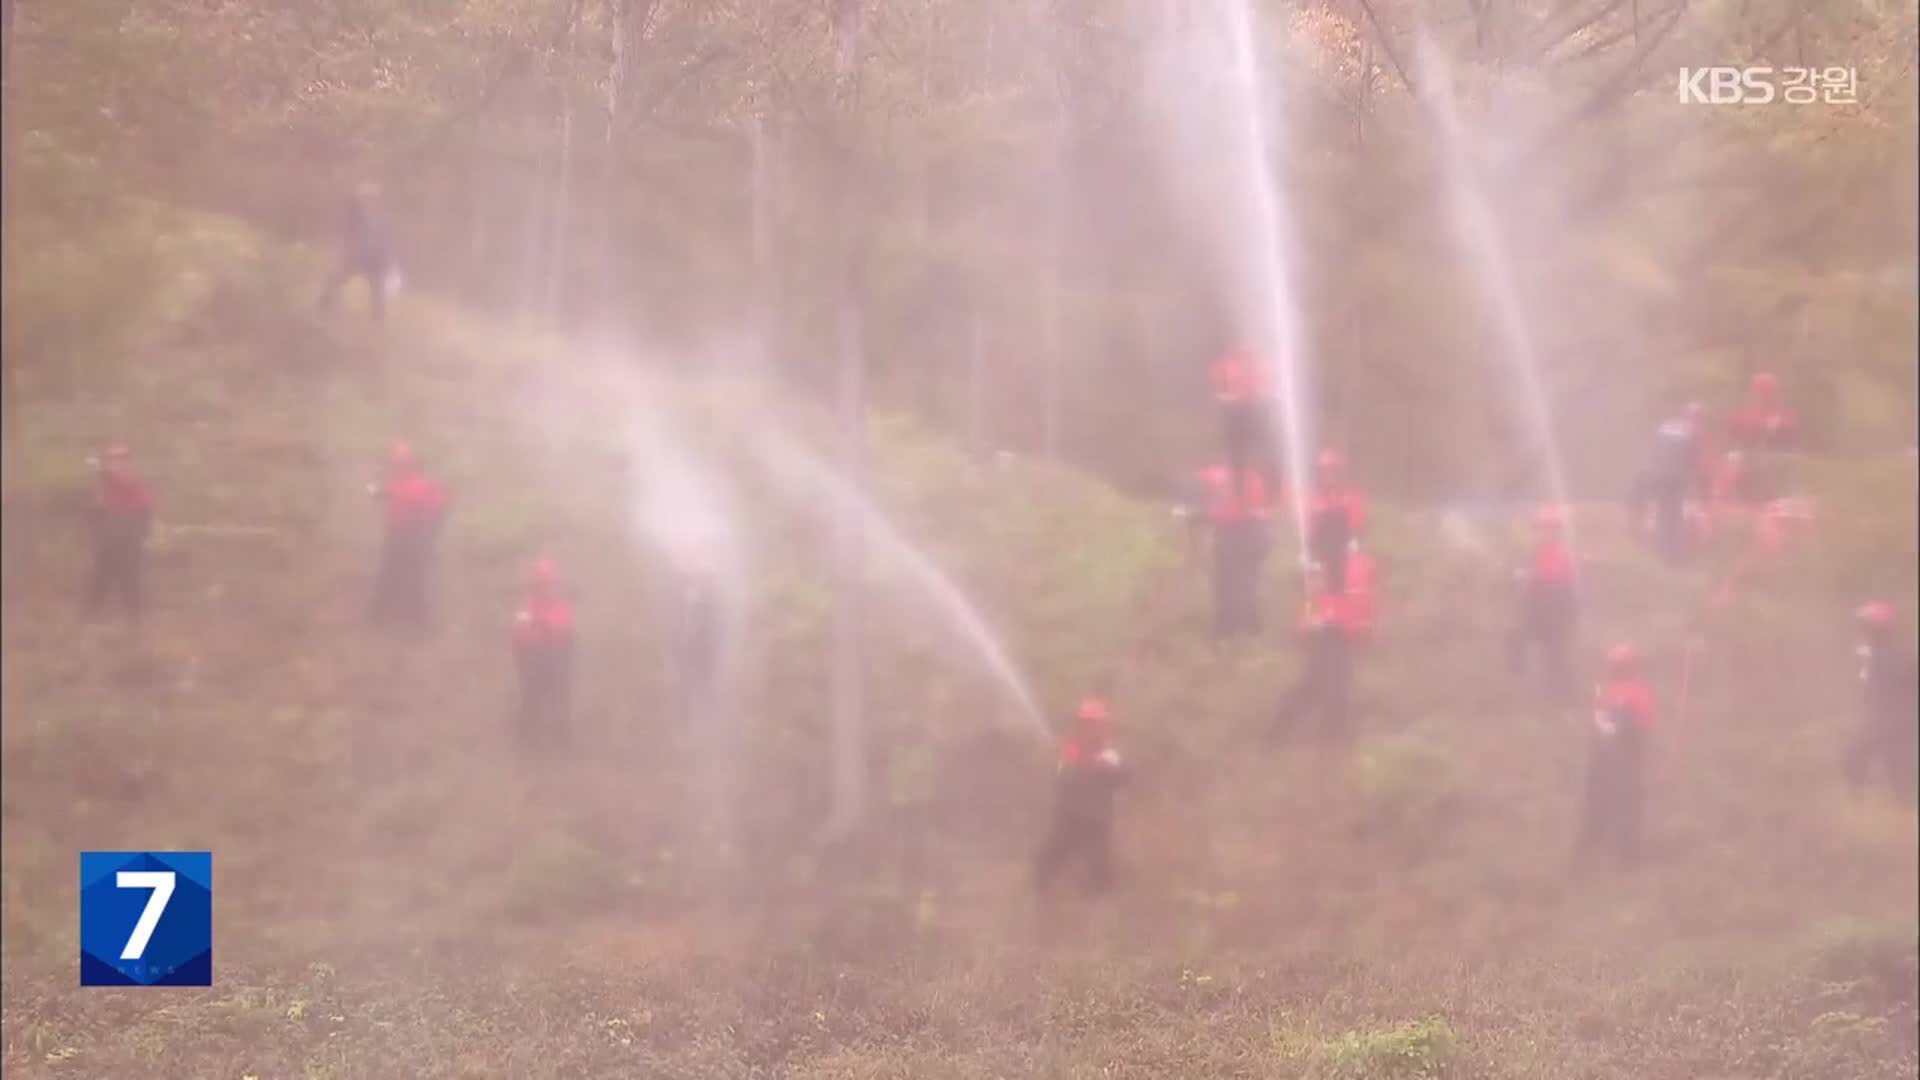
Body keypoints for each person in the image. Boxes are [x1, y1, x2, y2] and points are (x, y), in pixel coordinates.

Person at [1033, 698, 1127, 896]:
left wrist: (1108, 770)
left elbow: (1122, 778)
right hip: (1069, 818)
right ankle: (1038, 889)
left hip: (1096, 821)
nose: (1089, 729)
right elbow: (1059, 776)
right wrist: (1065, 764)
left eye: (1094, 724)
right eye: (1085, 724)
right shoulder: (1069, 750)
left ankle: (1101, 899)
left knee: (1100, 864)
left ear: (1102, 726)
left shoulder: (1109, 755)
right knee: (1052, 855)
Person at [1576, 643, 1656, 864]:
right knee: (1628, 805)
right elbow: (1646, 724)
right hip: (1626, 757)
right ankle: (1627, 856)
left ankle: (1591, 843)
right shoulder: (1639, 693)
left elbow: (1598, 723)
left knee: (1598, 800)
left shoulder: (1606, 691)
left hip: (1604, 755)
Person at [1274, 563, 1363, 740]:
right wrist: (1313, 626)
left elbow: (1353, 629)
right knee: (1303, 694)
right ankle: (1276, 735)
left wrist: (1331, 624)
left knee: (1337, 698)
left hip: (1339, 655)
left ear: (1325, 579)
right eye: (1310, 579)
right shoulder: (1310, 604)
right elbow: (1300, 631)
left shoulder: (1338, 600)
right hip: (1318, 656)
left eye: (1316, 578)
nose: (1313, 583)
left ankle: (1332, 743)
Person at [367, 442, 447, 626]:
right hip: (413, 535)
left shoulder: (411, 484)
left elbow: (393, 495)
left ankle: (383, 614)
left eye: (396, 464)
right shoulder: (420, 484)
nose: (393, 467)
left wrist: (375, 492)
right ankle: (412, 616)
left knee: (394, 574)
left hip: (404, 535)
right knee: (411, 576)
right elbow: (437, 506)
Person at [1844, 601, 1917, 799]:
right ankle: (1860, 795)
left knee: (1895, 768)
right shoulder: (1874, 654)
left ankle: (1860, 795)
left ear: (1877, 630)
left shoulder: (1888, 656)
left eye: (1865, 627)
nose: (1861, 631)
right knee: (1859, 754)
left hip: (1893, 722)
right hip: (1889, 721)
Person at [1190, 463, 1273, 638]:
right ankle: (1234, 625)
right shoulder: (1219, 474)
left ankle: (1241, 626)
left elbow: (1234, 511)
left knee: (1240, 583)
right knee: (1231, 583)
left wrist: (1202, 515)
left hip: (1247, 535)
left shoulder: (1249, 479)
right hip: (1237, 536)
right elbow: (1200, 483)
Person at [1505, 506, 1577, 702]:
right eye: (1539, 529)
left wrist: (1528, 577)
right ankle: (1553, 691)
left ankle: (1561, 695)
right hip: (1540, 611)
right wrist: (1523, 576)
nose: (1541, 534)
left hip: (1552, 613)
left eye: (1546, 530)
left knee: (1554, 654)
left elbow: (1552, 580)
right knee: (1520, 640)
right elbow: (1535, 577)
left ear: (1555, 532)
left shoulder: (1558, 554)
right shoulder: (1540, 552)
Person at [513, 557, 576, 745]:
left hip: (557, 659)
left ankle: (562, 734)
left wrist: (541, 625)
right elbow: (519, 629)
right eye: (541, 584)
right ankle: (528, 733)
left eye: (550, 584)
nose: (547, 588)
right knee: (532, 696)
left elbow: (563, 628)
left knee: (559, 697)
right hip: (533, 659)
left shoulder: (561, 604)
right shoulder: (527, 605)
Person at [86, 442, 153, 619]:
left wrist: (141, 534)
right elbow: (98, 510)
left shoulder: (134, 480)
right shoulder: (105, 483)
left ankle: (134, 620)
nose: (117, 463)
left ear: (128, 461)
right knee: (100, 576)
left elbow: (144, 508)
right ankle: (91, 615)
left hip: (130, 536)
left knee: (130, 579)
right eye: (113, 459)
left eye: (121, 459)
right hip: (109, 535)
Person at [319, 181, 397, 323]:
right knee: (338, 278)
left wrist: (387, 260)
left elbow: (386, 240)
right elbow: (347, 230)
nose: (370, 200)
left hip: (374, 258)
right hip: (358, 254)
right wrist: (345, 249)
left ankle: (378, 319)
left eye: (372, 197)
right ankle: (324, 304)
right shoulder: (357, 213)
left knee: (376, 290)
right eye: (367, 197)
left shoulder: (382, 217)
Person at [1630, 411, 1701, 563]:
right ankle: (1672, 554)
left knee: (1663, 511)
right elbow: (1692, 460)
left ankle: (1660, 547)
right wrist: (1691, 480)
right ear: (1694, 418)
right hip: (1674, 478)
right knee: (1673, 514)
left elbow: (1653, 451)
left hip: (1656, 475)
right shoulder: (1690, 432)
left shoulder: (1664, 427)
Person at [1210, 345, 1271, 494]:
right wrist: (1225, 397)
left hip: (1255, 409)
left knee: (1265, 449)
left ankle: (1268, 488)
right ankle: (1239, 491)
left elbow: (1266, 382)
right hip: (1234, 411)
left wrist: (1263, 397)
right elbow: (1218, 384)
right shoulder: (1226, 363)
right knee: (1236, 452)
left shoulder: (1260, 362)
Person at [1305, 449, 1366, 592]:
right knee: (1317, 588)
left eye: (1331, 471)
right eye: (1324, 471)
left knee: (1344, 584)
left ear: (1338, 473)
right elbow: (1309, 527)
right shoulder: (1313, 499)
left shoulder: (1350, 495)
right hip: (1321, 553)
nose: (1328, 475)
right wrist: (1307, 552)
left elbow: (1357, 521)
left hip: (1343, 550)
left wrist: (1354, 540)